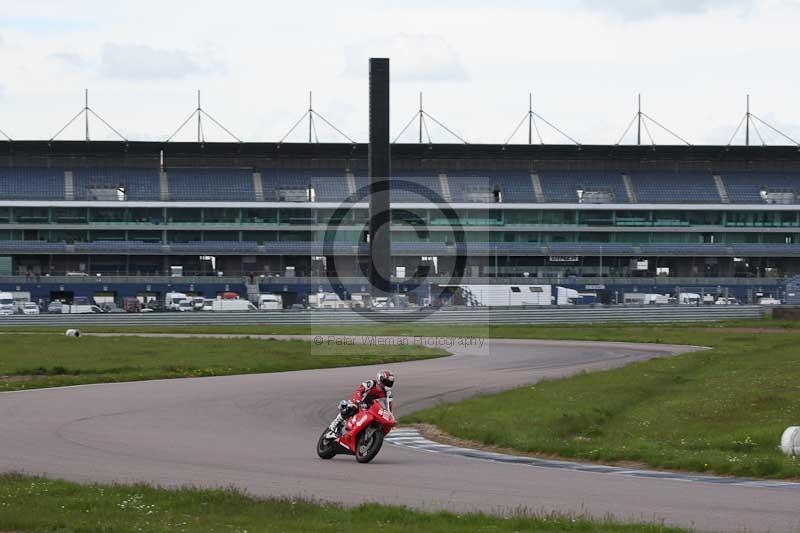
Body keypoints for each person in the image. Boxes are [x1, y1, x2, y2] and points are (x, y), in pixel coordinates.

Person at [327, 369, 395, 435]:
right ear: (380, 380)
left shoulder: (388, 393)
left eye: (390, 383)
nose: (388, 384)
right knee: (352, 408)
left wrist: (389, 418)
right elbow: (359, 391)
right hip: (360, 401)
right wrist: (358, 401)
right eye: (386, 382)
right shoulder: (371, 383)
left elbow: (389, 408)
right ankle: (335, 423)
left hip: (372, 408)